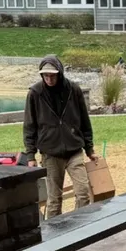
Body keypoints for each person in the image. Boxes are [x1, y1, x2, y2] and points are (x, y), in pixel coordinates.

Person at [23, 55, 96, 218]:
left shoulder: (73, 90)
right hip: (50, 153)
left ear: (60, 73)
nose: (49, 79)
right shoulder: (35, 93)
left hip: (74, 151)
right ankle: (54, 237)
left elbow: (85, 120)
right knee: (54, 200)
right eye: (46, 75)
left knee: (83, 193)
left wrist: (89, 149)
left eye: (53, 75)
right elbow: (29, 126)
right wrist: (30, 155)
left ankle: (81, 227)